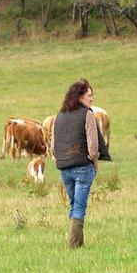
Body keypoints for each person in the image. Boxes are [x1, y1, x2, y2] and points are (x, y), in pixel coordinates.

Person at [52, 79, 106, 248]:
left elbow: (53, 147)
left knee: (74, 204)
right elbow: (93, 145)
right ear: (80, 97)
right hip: (83, 167)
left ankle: (78, 243)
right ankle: (74, 245)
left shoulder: (58, 117)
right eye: (90, 96)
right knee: (80, 206)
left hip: (64, 169)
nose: (92, 99)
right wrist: (94, 162)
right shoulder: (87, 114)